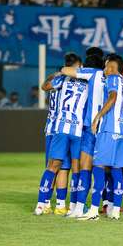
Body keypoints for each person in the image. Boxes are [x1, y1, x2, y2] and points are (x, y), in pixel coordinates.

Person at [79, 54, 123, 221]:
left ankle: (93, 211)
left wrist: (98, 117)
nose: (104, 69)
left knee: (99, 168)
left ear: (111, 67)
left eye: (106, 66)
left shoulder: (111, 78)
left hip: (109, 130)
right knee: (117, 171)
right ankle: (116, 211)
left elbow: (112, 97)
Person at [34, 53, 88, 215]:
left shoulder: (60, 80)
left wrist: (55, 75)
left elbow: (44, 87)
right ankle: (64, 205)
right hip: (77, 130)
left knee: (53, 166)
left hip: (57, 128)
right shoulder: (87, 81)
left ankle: (42, 203)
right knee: (70, 168)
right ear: (78, 66)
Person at [59, 51, 105, 218]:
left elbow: (66, 70)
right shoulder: (112, 77)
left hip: (90, 127)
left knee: (85, 168)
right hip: (106, 129)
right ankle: (100, 207)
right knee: (102, 169)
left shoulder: (92, 73)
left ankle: (79, 208)